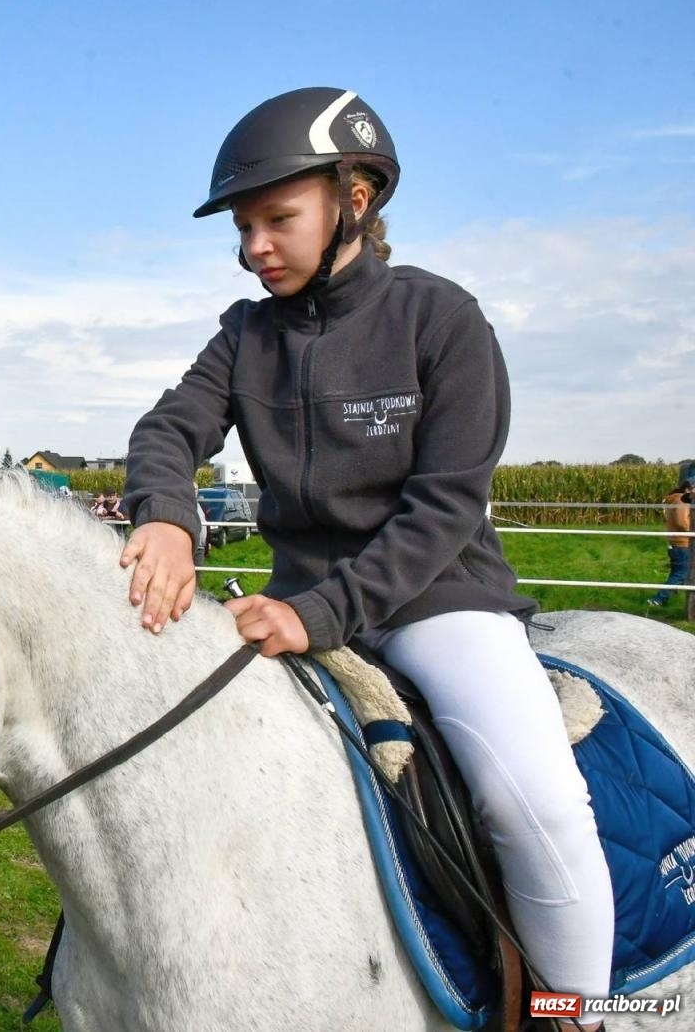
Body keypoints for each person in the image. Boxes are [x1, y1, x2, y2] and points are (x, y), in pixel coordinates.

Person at [118, 88, 613, 1015]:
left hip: (436, 603)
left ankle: (576, 1012)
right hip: (291, 606)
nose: (254, 247)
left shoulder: (441, 318)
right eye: (243, 227)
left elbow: (445, 506)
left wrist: (320, 613)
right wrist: (168, 518)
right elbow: (169, 430)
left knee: (537, 805)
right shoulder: (243, 334)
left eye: (277, 219)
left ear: (355, 199)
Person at [646, 474, 694, 606]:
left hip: (677, 543)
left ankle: (670, 596)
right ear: (688, 489)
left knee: (678, 573)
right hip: (683, 543)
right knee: (681, 574)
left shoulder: (676, 499)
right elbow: (682, 522)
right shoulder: (683, 501)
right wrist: (692, 530)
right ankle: (659, 599)